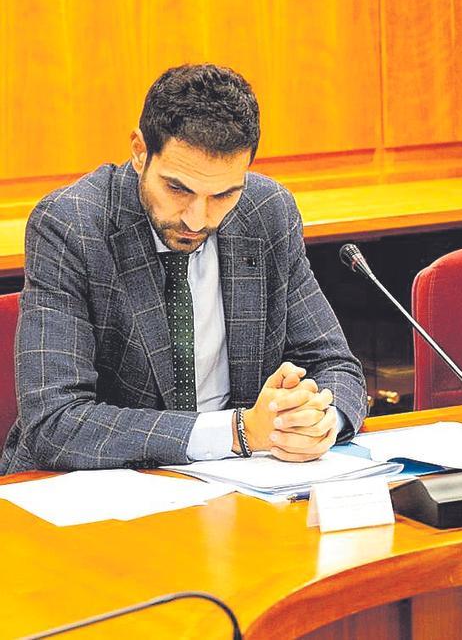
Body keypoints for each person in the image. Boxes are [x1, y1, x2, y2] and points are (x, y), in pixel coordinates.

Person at [1, 64, 367, 474]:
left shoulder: (267, 213)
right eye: (178, 188)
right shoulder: (71, 225)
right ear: (140, 151)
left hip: (243, 483)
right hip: (101, 487)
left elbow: (337, 366)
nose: (197, 219)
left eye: (224, 194)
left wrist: (318, 421)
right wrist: (236, 432)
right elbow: (55, 423)